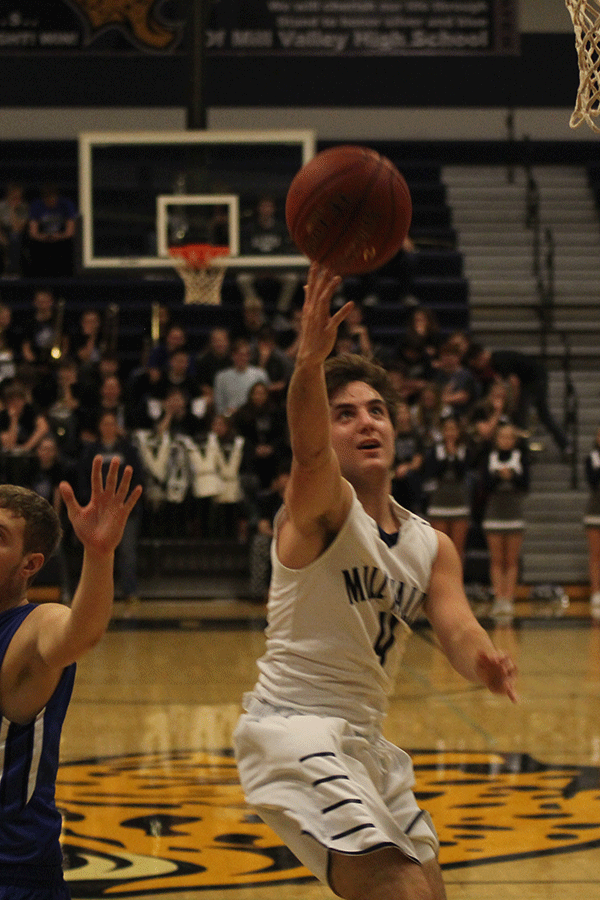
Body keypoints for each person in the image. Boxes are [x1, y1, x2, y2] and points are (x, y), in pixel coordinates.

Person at [233, 264, 517, 900]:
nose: (366, 423)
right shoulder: (321, 510)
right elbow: (307, 453)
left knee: (430, 892)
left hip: (365, 740)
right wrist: (309, 364)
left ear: (396, 426)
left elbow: (458, 624)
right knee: (402, 893)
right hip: (294, 730)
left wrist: (484, 664)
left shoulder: (429, 544)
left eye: (377, 410)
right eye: (344, 414)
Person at [0, 454, 142, 898]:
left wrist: (99, 556)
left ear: (30, 564)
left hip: (13, 873)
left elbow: (80, 634)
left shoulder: (34, 626)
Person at [76, 412, 145, 603]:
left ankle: (129, 592)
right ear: (100, 427)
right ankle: (97, 594)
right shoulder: (91, 450)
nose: (108, 427)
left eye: (111, 424)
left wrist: (127, 503)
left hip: (124, 511)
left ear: (117, 427)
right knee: (97, 553)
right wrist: (90, 502)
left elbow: (137, 477)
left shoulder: (128, 450)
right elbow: (83, 477)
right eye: (105, 423)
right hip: (98, 510)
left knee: (127, 553)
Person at [465, 342, 570, 457]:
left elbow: (514, 382)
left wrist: (514, 405)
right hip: (531, 379)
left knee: (527, 416)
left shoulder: (498, 361)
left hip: (533, 380)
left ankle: (524, 451)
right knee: (542, 415)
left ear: (481, 357)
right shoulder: (494, 361)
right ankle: (564, 445)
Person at [481, 421, 530, 621]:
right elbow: (484, 486)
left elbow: (526, 485)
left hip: (514, 514)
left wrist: (512, 477)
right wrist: (498, 477)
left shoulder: (521, 458)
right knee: (496, 559)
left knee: (511, 559)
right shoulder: (490, 457)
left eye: (510, 437)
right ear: (497, 439)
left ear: (514, 440)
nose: (506, 440)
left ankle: (509, 598)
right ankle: (498, 598)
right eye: (502, 436)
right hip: (494, 514)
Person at [27, 182, 77, 278]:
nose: (50, 202)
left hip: (62, 239)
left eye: (52, 199)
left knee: (64, 247)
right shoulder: (36, 205)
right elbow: (33, 232)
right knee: (37, 248)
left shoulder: (66, 204)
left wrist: (59, 236)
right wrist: (44, 237)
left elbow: (71, 231)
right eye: (47, 200)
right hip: (42, 240)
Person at [583, 425, 600, 619]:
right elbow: (592, 481)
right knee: (595, 554)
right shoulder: (592, 458)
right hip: (595, 511)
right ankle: (596, 592)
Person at [0, 181, 28, 276]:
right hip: (2, 232)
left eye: (18, 196)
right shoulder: (1, 206)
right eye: (13, 196)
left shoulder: (23, 207)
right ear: (8, 195)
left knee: (14, 237)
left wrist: (12, 209)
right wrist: (1, 236)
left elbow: (17, 228)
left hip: (18, 234)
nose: (16, 199)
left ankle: (13, 271)